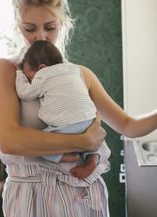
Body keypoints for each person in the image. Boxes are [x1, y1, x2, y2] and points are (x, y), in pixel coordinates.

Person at [0, 0, 157, 217]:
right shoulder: (5, 71)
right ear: (19, 27)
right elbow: (9, 141)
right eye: (30, 29)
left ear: (62, 23)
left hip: (84, 196)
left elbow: (128, 125)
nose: (40, 37)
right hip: (32, 198)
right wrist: (82, 140)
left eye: (49, 27)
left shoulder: (81, 75)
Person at [15, 40, 105, 179]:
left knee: (37, 144)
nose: (30, 78)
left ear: (42, 67)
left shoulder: (43, 75)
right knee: (96, 143)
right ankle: (92, 158)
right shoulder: (73, 70)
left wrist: (20, 74)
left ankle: (65, 156)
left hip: (65, 125)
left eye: (29, 75)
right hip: (89, 120)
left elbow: (25, 93)